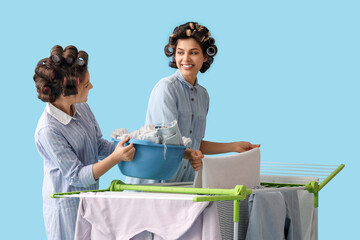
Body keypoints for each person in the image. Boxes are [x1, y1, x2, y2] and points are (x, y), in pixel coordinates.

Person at [126, 22, 260, 184]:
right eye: (180, 52)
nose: (186, 59)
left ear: (205, 56)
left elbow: (194, 142)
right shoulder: (166, 88)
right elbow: (165, 142)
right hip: (154, 183)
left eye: (194, 53)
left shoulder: (203, 95)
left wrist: (233, 146)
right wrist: (190, 154)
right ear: (174, 55)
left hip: (183, 182)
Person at [34, 45, 135, 240]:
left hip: (89, 201)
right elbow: (77, 176)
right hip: (66, 208)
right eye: (86, 84)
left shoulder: (82, 107)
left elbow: (98, 145)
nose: (91, 87)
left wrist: (130, 144)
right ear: (67, 91)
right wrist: (116, 158)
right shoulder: (48, 130)